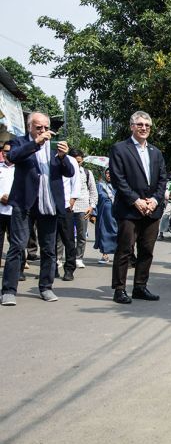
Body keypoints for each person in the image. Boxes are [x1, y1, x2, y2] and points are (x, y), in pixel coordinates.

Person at [1, 112, 75, 306]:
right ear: (29, 127)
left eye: (45, 127)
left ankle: (46, 287)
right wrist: (36, 143)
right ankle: (9, 290)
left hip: (48, 204)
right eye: (38, 127)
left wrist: (62, 157)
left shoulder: (53, 148)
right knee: (17, 246)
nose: (43, 131)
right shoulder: (20, 142)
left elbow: (69, 172)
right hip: (24, 203)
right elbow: (13, 157)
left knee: (49, 249)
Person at [108, 110, 167, 304]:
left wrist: (155, 200)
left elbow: (161, 180)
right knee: (125, 249)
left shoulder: (155, 152)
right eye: (140, 125)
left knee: (147, 250)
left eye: (147, 126)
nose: (144, 128)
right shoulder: (120, 149)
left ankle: (140, 286)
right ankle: (119, 289)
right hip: (128, 209)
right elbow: (118, 179)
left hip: (152, 210)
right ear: (132, 126)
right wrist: (136, 200)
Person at [55, 145, 80, 281]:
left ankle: (69, 269)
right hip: (49, 206)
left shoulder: (71, 160)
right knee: (49, 240)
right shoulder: (47, 158)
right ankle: (51, 268)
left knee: (68, 240)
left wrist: (72, 199)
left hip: (65, 206)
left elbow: (75, 181)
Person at [70, 149, 98, 268]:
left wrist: (92, 206)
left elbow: (93, 191)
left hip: (83, 207)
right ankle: (59, 258)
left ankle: (78, 257)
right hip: (67, 207)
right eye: (75, 161)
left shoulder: (87, 173)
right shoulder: (64, 171)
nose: (78, 164)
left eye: (80, 162)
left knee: (82, 235)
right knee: (62, 235)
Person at [94, 168, 117, 264]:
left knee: (117, 233)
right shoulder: (100, 185)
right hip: (103, 214)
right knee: (104, 233)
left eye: (111, 173)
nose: (109, 175)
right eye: (107, 173)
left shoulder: (119, 186)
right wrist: (93, 213)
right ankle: (105, 255)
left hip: (116, 214)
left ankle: (118, 255)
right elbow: (95, 199)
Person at [0, 141, 15, 268]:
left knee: (16, 241)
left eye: (10, 151)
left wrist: (12, 198)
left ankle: (17, 267)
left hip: (15, 211)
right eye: (5, 151)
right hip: (0, 210)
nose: (7, 154)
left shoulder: (21, 169)